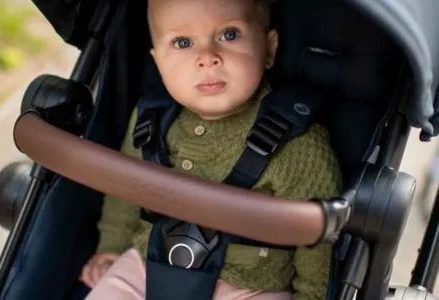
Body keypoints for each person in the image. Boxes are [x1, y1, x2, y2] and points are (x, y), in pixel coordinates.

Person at [81, 0, 343, 299]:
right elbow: (124, 189)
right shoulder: (149, 120)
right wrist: (112, 246)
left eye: (229, 35)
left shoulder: (299, 144)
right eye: (182, 42)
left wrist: (313, 295)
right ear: (159, 62)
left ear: (269, 49)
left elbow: (318, 240)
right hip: (148, 263)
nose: (207, 57)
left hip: (249, 284)